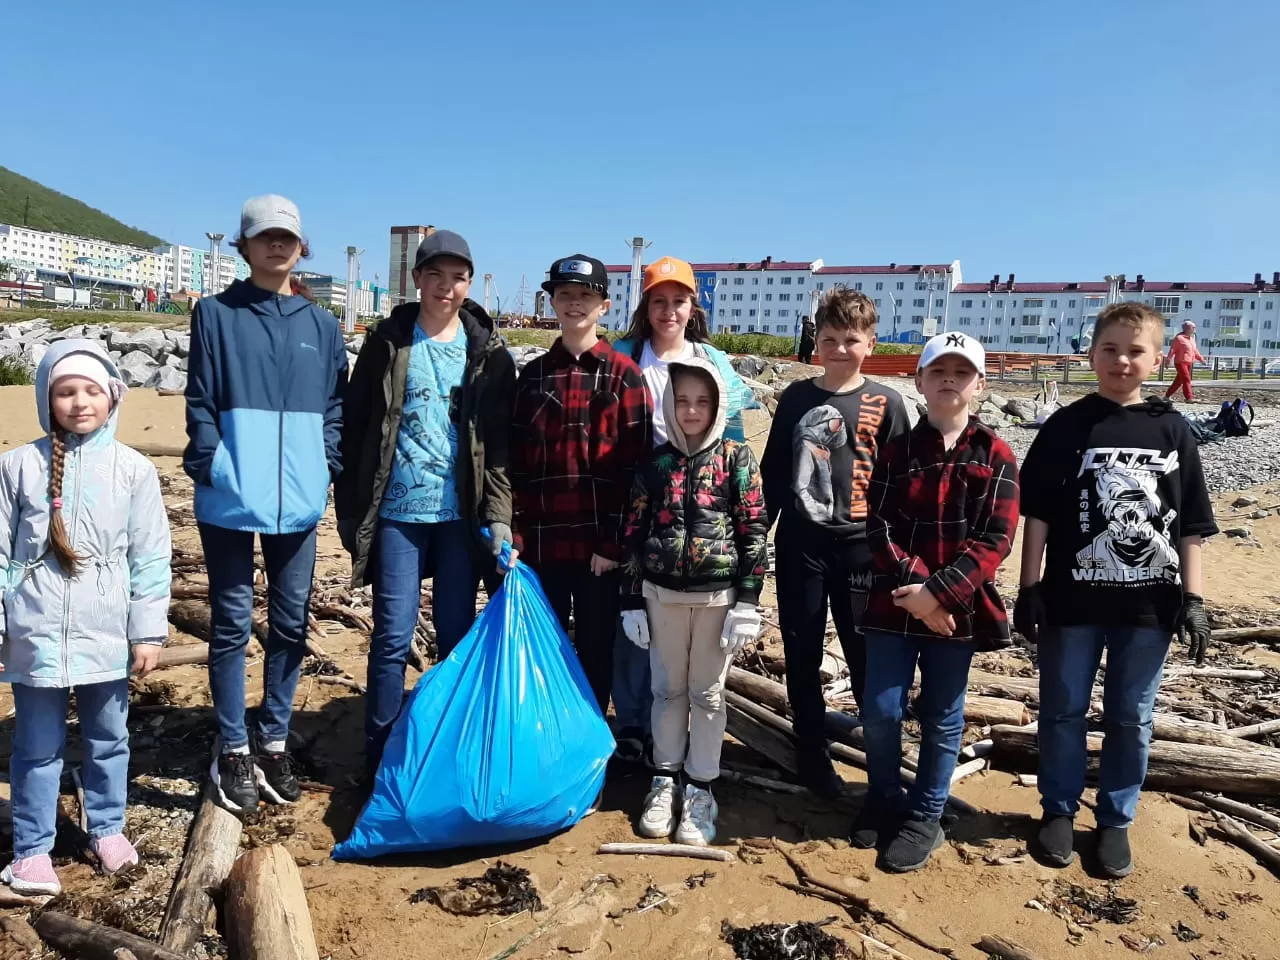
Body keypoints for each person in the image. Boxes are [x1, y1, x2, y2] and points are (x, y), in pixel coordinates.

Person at [1016, 302, 1217, 878]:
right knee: (1063, 711)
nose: (1122, 361)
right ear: (1092, 354)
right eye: (1110, 349)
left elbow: (1191, 524)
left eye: (1135, 351)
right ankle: (1058, 809)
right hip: (1072, 600)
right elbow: (1038, 514)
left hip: (1149, 606)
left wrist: (1194, 599)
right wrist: (1029, 587)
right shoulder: (1066, 425)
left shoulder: (1172, 429)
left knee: (1131, 716)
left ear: (1158, 360)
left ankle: (1115, 818)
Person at [184, 194, 348, 813]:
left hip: (299, 498)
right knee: (230, 623)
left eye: (287, 237)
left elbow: (335, 405)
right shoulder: (215, 314)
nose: (277, 245)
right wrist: (213, 463)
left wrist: (326, 463)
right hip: (229, 495)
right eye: (265, 236)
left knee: (289, 622)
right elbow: (200, 400)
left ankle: (273, 741)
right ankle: (232, 747)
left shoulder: (322, 326)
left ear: (301, 247)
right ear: (245, 245)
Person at [335, 230, 515, 778]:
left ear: (470, 283)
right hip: (397, 517)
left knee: (455, 637)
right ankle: (381, 758)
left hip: (460, 519)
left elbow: (499, 446)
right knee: (392, 636)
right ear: (416, 278)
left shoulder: (489, 354)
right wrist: (350, 507)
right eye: (435, 275)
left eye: (457, 277)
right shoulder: (388, 342)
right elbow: (356, 425)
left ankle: (445, 755)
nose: (446, 286)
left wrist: (499, 517)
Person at [0, 341, 172, 895]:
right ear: (46, 399)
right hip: (36, 630)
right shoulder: (18, 465)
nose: (79, 403)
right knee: (36, 746)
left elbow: (150, 557)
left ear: (113, 397)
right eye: (66, 392)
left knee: (108, 737)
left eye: (92, 391)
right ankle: (32, 851)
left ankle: (107, 828)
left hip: (107, 632)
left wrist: (147, 631)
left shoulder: (133, 470)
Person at [858, 331, 1019, 872]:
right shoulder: (897, 452)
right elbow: (878, 525)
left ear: (979, 383)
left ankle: (926, 814)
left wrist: (940, 594)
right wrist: (919, 589)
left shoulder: (996, 453)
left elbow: (996, 538)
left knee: (943, 715)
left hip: (959, 608)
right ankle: (884, 796)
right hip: (895, 599)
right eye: (939, 371)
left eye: (962, 372)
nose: (950, 380)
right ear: (921, 381)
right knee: (881, 709)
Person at [759, 287, 908, 797]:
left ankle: (882, 762)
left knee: (866, 654)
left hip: (864, 549)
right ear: (815, 342)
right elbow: (775, 472)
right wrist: (756, 542)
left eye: (851, 340)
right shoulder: (796, 398)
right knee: (801, 650)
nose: (840, 350)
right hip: (800, 545)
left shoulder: (887, 402)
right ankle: (811, 753)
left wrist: (901, 555)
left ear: (871, 343)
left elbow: (901, 483)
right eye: (829, 339)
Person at [610, 256, 757, 765]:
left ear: (693, 306)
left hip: (699, 517)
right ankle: (633, 725)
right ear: (645, 306)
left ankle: (687, 743)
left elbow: (733, 442)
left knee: (693, 643)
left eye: (679, 301)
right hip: (641, 501)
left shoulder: (711, 360)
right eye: (659, 301)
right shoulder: (625, 357)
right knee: (637, 619)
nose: (668, 310)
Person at [620, 358, 768, 845]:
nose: (691, 410)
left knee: (706, 693)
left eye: (702, 401)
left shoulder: (737, 458)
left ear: (717, 405)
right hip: (660, 596)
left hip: (717, 600)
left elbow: (753, 530)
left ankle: (701, 787)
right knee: (666, 690)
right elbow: (633, 531)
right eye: (682, 400)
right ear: (669, 404)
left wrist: (748, 602)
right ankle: (664, 779)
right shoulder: (654, 464)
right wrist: (630, 601)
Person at [510, 254, 651, 716]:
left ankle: (592, 735)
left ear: (604, 305)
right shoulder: (532, 376)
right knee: (543, 648)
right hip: (541, 545)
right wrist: (516, 534)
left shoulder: (624, 375)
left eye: (586, 296)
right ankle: (549, 733)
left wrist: (612, 543)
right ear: (551, 302)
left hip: (599, 551)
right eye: (565, 294)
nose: (575, 303)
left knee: (595, 648)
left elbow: (636, 471)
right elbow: (517, 465)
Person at [1164, 320, 1205, 402]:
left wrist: (1201, 359)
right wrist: (1168, 360)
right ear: (1187, 328)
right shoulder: (1179, 338)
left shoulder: (1192, 339)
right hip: (1180, 362)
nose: (1194, 329)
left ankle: (1166, 396)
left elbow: (1195, 351)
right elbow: (1172, 350)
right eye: (1193, 327)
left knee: (1178, 381)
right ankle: (1189, 398)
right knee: (1186, 379)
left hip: (1189, 362)